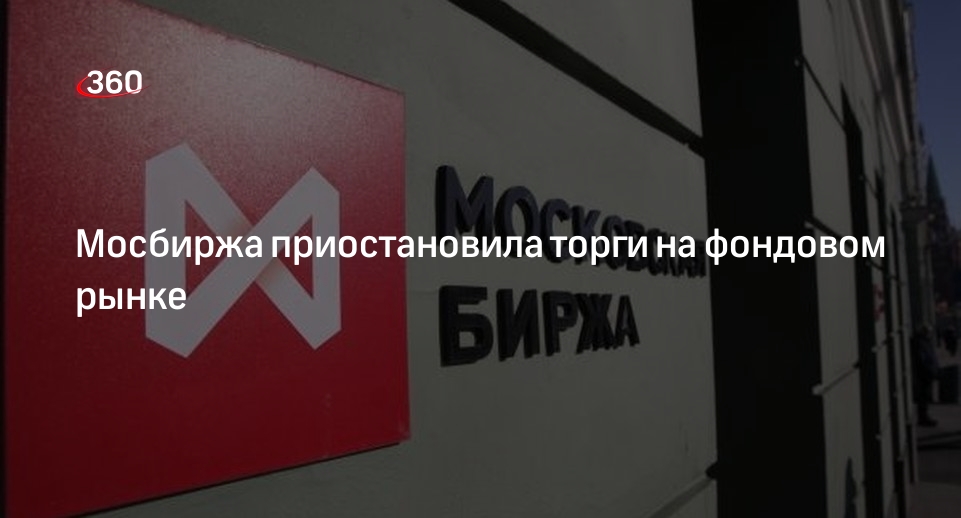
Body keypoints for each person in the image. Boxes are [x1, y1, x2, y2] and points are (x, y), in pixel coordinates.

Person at [910, 325, 939, 427]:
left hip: (926, 373)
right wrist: (929, 370)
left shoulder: (925, 342)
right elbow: (922, 359)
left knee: (925, 398)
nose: (930, 334)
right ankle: (923, 418)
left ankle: (924, 417)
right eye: (929, 332)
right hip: (924, 374)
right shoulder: (921, 343)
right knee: (923, 398)